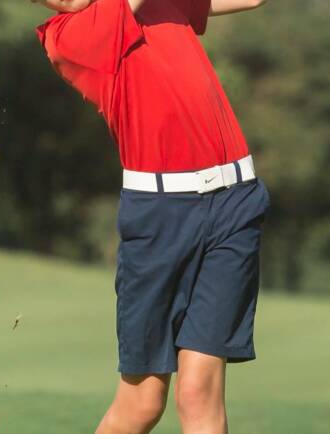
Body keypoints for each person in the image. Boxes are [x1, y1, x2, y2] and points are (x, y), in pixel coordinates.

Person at [33, 1, 270, 433]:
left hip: (235, 200)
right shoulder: (66, 37)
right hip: (161, 218)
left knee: (200, 390)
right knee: (143, 401)